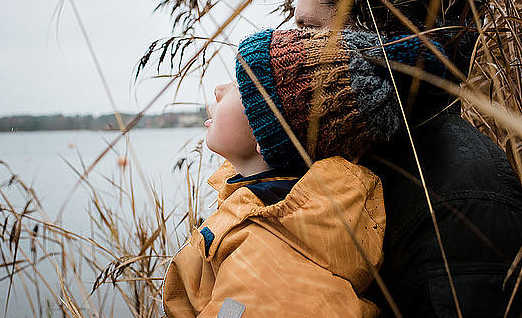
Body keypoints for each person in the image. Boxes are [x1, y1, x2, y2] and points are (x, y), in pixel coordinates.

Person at [292, 0, 522, 317]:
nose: (286, 46)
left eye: (307, 30)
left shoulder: (461, 199)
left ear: (376, 45)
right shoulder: (349, 152)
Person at [161, 27, 433, 317]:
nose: (219, 89)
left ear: (266, 132)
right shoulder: (260, 206)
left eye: (241, 85)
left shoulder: (267, 267)